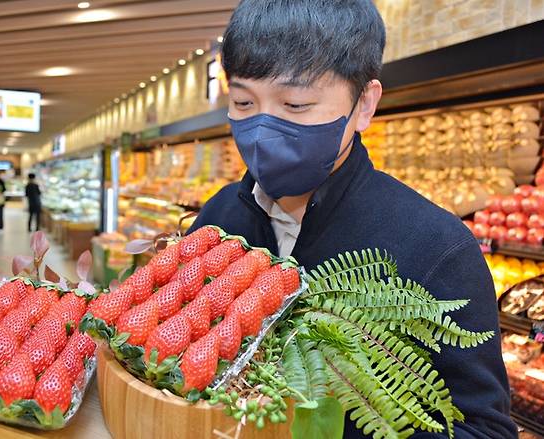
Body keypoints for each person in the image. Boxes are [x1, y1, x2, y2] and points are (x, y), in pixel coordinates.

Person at [188, 1, 517, 438]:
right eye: (244, 102)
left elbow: (485, 429)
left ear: (364, 104)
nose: (264, 130)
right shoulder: (217, 219)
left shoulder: (437, 247)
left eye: (296, 104)